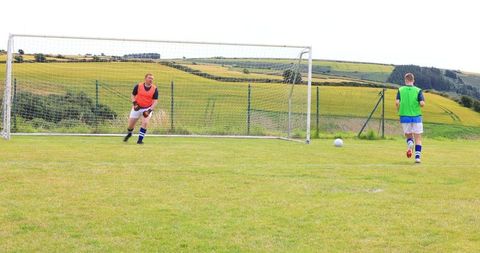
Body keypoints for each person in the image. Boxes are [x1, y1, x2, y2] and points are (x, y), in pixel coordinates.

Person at [396, 73, 425, 163]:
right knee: (418, 138)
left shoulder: (400, 90)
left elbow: (397, 102)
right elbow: (422, 104)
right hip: (416, 117)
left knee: (408, 135)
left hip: (404, 116)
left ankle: (410, 143)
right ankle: (417, 157)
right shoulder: (418, 90)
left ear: (405, 80)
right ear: (413, 80)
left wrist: (399, 110)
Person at [123, 73, 158, 144]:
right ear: (145, 78)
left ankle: (140, 140)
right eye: (149, 78)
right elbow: (132, 95)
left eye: (152, 78)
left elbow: (155, 101)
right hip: (137, 107)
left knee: (145, 123)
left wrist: (149, 110)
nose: (151, 80)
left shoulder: (155, 89)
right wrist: (135, 103)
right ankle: (129, 133)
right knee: (130, 125)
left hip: (147, 108)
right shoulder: (138, 86)